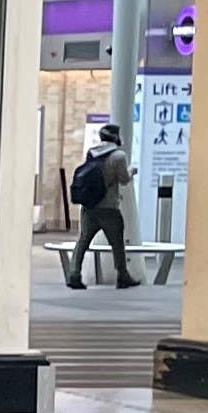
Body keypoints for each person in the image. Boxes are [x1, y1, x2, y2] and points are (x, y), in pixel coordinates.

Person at [65, 123, 138, 290]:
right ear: (116, 137)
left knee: (83, 241)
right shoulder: (119, 156)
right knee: (117, 243)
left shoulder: (92, 153)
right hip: (109, 207)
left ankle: (73, 274)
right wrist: (132, 171)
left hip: (89, 206)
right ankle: (122, 276)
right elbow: (124, 179)